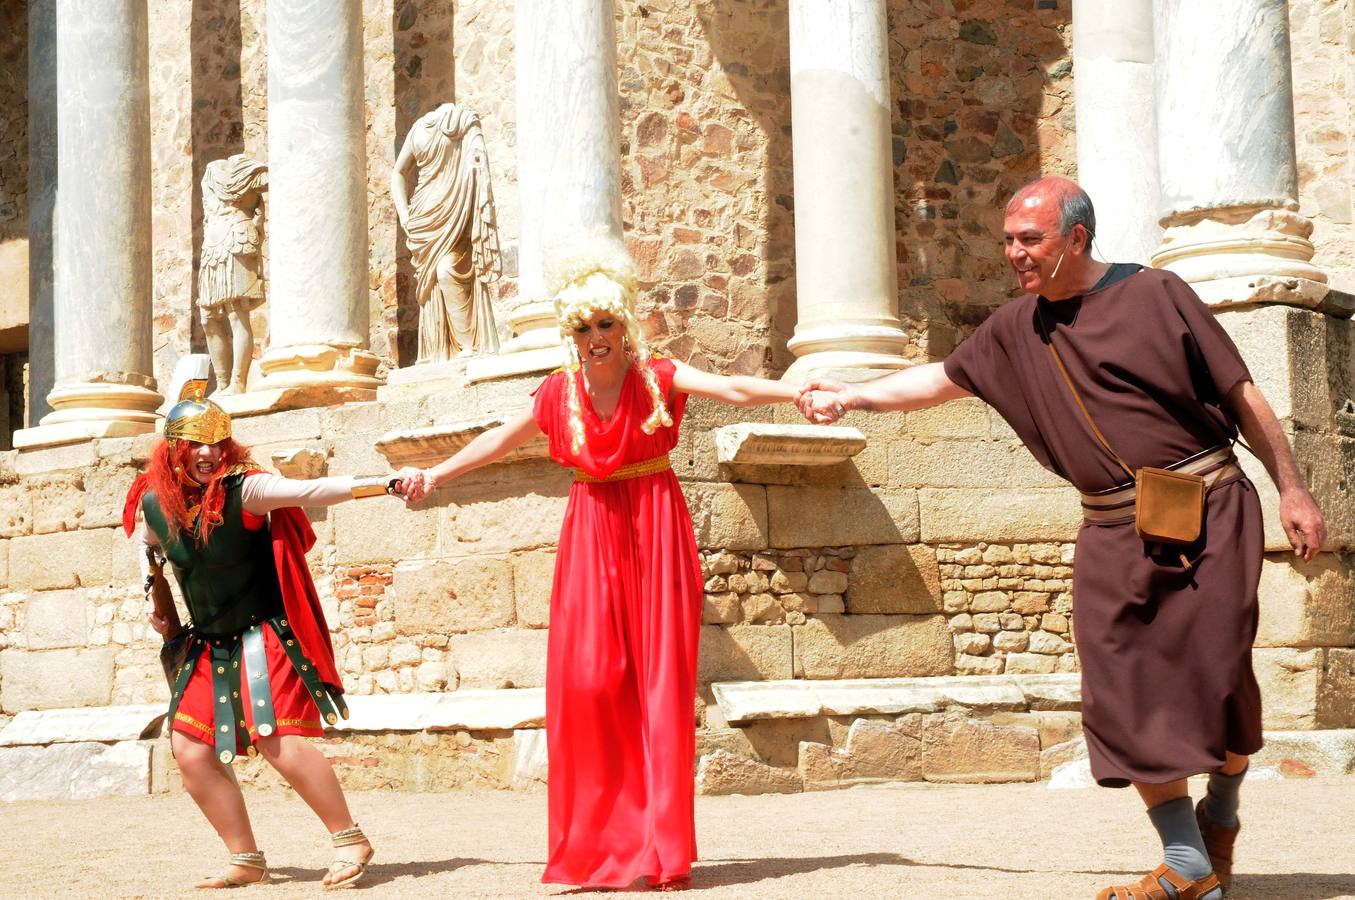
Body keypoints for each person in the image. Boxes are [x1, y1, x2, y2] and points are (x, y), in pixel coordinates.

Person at [799, 177, 1325, 900]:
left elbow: (1242, 393)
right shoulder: (1016, 330)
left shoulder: (1156, 294)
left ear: (1075, 237)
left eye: (1029, 239)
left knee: (1211, 676)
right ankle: (1186, 861)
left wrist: (1291, 488)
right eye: (1008, 239)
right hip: (1110, 529)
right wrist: (851, 392)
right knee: (1118, 688)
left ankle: (1221, 814)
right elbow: (938, 379)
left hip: (1209, 510)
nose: (1014, 253)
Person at [396, 238, 803, 890]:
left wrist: (797, 388)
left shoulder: (658, 377)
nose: (595, 338)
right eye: (583, 327)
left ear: (625, 324)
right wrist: (435, 474)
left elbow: (729, 385)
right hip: (592, 530)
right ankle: (593, 846)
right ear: (571, 331)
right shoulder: (558, 393)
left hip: (654, 523)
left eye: (606, 324)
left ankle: (653, 849)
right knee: (586, 682)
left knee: (658, 689)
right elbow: (501, 438)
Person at [123, 365, 393, 889]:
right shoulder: (154, 503)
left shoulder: (246, 490)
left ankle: (349, 838)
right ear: (173, 451)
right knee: (190, 750)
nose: (208, 454)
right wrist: (161, 612)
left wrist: (386, 483)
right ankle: (245, 859)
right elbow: (150, 555)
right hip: (206, 643)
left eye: (217, 445)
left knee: (274, 737)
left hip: (261, 635)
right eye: (196, 446)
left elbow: (314, 489)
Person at [391, 101, 503, 361]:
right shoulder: (446, 124)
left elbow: (398, 173)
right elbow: (397, 171)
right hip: (424, 218)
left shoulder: (463, 122)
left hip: (454, 212)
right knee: (432, 285)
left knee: (446, 271)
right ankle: (440, 353)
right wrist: (405, 215)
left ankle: (469, 346)